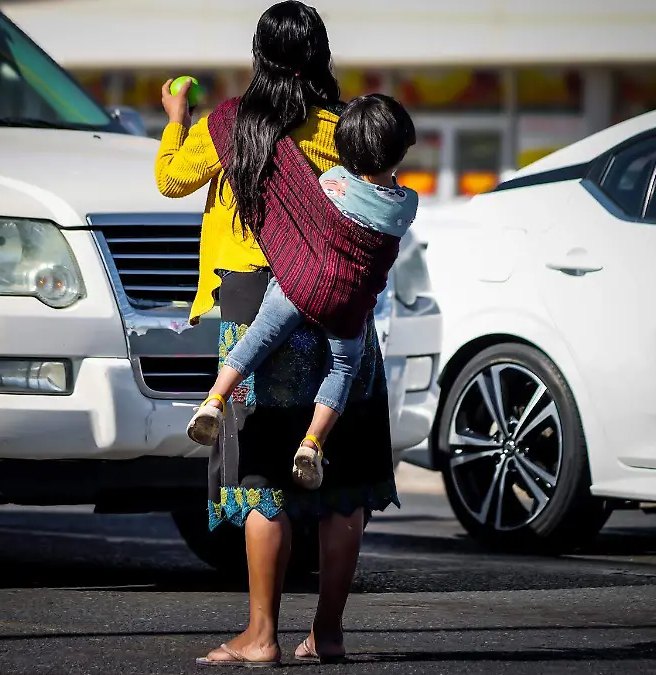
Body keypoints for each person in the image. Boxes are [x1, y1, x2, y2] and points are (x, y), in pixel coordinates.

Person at [154, 1, 399, 666]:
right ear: (321, 57)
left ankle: (260, 635)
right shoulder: (342, 128)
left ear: (260, 57)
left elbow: (172, 179)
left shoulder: (230, 125)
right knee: (342, 482)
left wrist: (176, 123)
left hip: (253, 302)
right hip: (338, 304)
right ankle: (330, 633)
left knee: (263, 479)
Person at [186, 94, 418, 493]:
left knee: (257, 338)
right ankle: (312, 444)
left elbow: (300, 216)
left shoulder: (330, 184)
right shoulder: (405, 205)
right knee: (342, 370)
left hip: (298, 285)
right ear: (400, 152)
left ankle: (214, 400)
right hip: (347, 306)